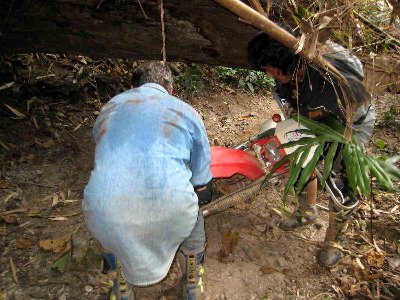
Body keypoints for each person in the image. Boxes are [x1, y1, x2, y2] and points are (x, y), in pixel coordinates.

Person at [82, 61, 212, 299]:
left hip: (105, 207)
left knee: (111, 234)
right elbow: (202, 175)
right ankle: (193, 281)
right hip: (170, 208)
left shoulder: (110, 107)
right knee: (194, 227)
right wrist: (200, 188)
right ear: (170, 89)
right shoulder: (186, 110)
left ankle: (119, 285)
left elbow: (99, 144)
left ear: (132, 87)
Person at [247, 26, 375, 267]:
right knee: (297, 157)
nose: (268, 75)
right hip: (314, 120)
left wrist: (335, 147)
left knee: (340, 180)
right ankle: (307, 210)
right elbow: (292, 108)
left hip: (349, 124)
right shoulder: (288, 78)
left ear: (282, 61)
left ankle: (334, 241)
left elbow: (355, 104)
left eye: (268, 69)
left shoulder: (331, 73)